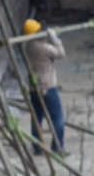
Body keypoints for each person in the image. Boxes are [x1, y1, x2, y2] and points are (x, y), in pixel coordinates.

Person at [22, 18, 66, 152]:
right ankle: (57, 147)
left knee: (36, 118)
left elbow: (43, 45)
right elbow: (61, 53)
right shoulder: (43, 48)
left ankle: (37, 147)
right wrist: (55, 38)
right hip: (48, 87)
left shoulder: (28, 47)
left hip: (34, 87)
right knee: (57, 118)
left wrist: (50, 37)